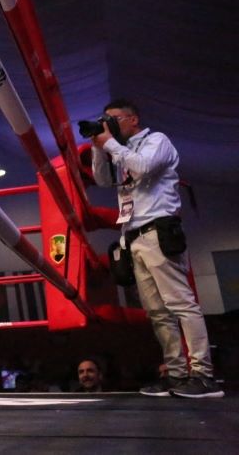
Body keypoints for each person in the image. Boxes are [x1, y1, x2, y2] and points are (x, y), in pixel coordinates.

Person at [89, 98, 223, 399]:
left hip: (158, 230)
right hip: (133, 236)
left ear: (133, 119)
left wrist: (110, 143)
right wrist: (98, 147)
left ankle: (203, 375)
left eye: (113, 119)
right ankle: (176, 374)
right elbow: (102, 180)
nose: (108, 125)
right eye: (104, 120)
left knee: (181, 304)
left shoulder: (156, 140)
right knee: (157, 312)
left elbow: (143, 167)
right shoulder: (119, 151)